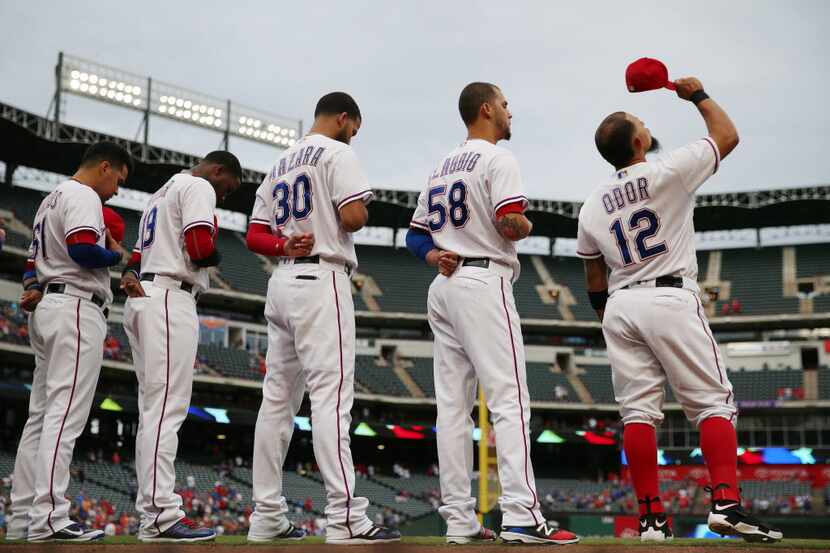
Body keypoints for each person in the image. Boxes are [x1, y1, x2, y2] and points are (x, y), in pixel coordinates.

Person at [577, 76, 782, 543]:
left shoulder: (591, 206)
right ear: (637, 141)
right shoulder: (668, 170)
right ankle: (727, 506)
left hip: (620, 305)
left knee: (637, 415)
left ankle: (651, 520)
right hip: (669, 294)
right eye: (642, 123)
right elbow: (727, 136)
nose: (647, 126)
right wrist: (696, 95)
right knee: (713, 403)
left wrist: (614, 322)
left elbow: (594, 281)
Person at [405, 82, 579, 546]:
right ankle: (521, 515)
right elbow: (508, 221)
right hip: (484, 280)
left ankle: (459, 522)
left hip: (443, 287)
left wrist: (432, 258)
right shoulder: (499, 159)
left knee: (452, 409)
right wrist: (527, 222)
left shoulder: (442, 166)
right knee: (509, 401)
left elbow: (415, 236)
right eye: (504, 103)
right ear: (486, 109)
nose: (508, 111)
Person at [245, 92, 400, 545]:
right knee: (332, 401)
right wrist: (359, 209)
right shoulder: (337, 152)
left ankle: (266, 516)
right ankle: (346, 518)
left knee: (276, 402)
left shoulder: (279, 163)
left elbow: (255, 233)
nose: (354, 134)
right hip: (321, 280)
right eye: (354, 126)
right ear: (342, 118)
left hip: (282, 282)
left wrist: (281, 245)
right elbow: (352, 216)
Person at [7, 142, 132, 542]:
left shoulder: (50, 199)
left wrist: (32, 287)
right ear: (106, 167)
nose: (116, 190)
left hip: (49, 306)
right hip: (75, 308)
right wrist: (119, 257)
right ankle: (49, 517)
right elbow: (82, 251)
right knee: (64, 415)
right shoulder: (82, 195)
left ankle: (22, 518)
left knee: (40, 418)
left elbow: (30, 266)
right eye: (119, 180)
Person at [119, 151, 242, 542]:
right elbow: (200, 246)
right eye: (228, 187)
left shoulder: (160, 192)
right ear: (218, 170)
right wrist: (217, 257)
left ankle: (151, 514)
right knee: (166, 410)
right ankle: (160, 514)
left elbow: (135, 260)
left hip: (145, 296)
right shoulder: (198, 185)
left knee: (152, 409)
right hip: (170, 299)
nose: (224, 195)